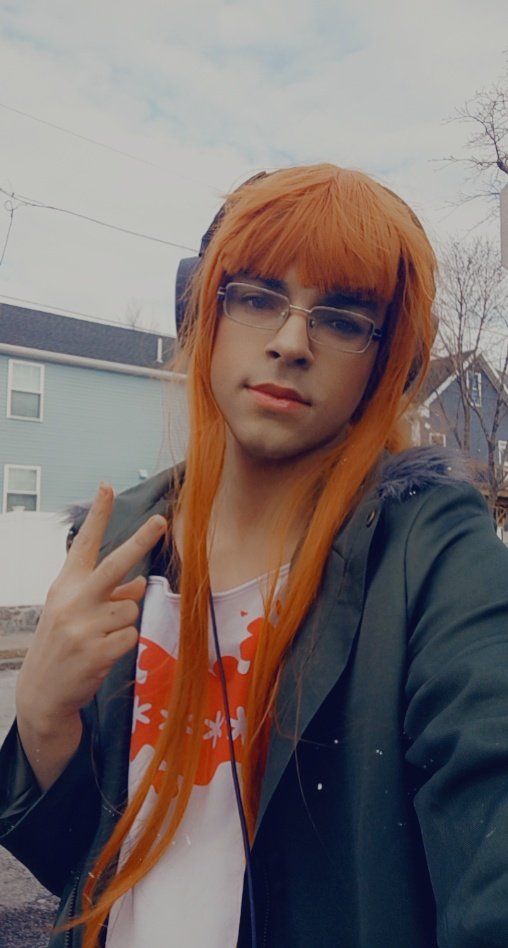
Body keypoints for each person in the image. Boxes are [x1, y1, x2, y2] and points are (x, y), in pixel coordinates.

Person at [1, 163, 508, 948]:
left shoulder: (433, 553)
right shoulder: (120, 552)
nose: (290, 342)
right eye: (258, 297)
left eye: (343, 318)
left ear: (389, 361)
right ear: (202, 312)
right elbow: (82, 867)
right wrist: (42, 717)